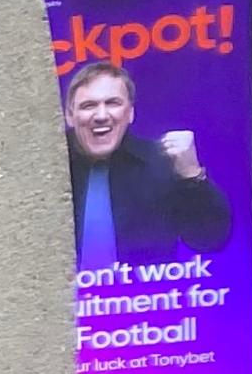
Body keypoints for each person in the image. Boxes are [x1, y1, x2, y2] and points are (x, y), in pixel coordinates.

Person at [64, 59, 234, 269]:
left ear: (130, 113)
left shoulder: (163, 163)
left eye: (113, 103)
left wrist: (192, 175)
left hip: (147, 299)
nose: (101, 116)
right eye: (88, 106)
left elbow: (210, 239)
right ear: (69, 116)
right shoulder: (46, 174)